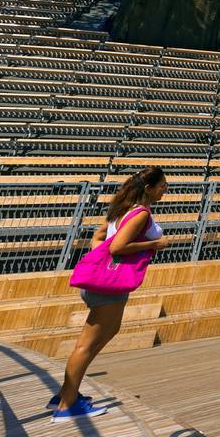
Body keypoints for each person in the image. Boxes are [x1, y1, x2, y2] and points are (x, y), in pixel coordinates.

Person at [52, 166, 169, 421]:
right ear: (149, 188)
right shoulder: (140, 214)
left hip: (103, 283)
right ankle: (66, 405)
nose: (164, 191)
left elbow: (99, 237)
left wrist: (98, 259)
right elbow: (117, 246)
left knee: (108, 332)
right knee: (86, 344)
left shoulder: (120, 208)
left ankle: (66, 392)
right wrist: (155, 244)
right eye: (162, 186)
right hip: (109, 287)